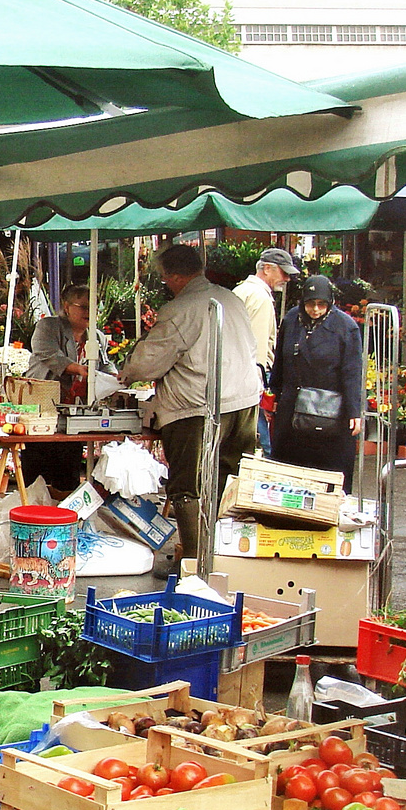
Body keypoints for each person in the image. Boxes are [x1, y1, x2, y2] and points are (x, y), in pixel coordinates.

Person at [120, 244, 261, 576]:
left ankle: (195, 565)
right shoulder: (231, 298)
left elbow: (147, 363)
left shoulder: (181, 309)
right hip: (243, 402)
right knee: (230, 482)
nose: (165, 283)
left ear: (176, 276)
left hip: (198, 408)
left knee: (188, 485)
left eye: (165, 278)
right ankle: (228, 560)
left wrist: (127, 369)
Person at [269, 275, 363, 491]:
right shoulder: (292, 319)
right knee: (290, 468)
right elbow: (280, 361)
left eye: (322, 304)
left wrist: (354, 411)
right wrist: (273, 394)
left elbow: (352, 371)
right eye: (311, 304)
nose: (316, 310)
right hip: (293, 406)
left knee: (329, 471)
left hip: (329, 409)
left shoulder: (345, 327)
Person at [21, 283, 114, 494]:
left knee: (68, 468)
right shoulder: (48, 327)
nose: (89, 312)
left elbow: (105, 364)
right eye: (83, 306)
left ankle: (64, 513)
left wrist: (118, 378)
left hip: (75, 413)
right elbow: (50, 356)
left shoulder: (96, 336)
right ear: (67, 306)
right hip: (42, 408)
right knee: (38, 472)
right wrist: (80, 369)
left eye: (94, 306)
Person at [233, 247, 301, 456]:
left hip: (235, 374)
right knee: (263, 440)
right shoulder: (259, 297)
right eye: (284, 273)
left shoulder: (241, 291)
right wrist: (261, 385)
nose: (287, 279)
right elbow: (258, 349)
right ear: (268, 269)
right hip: (250, 377)